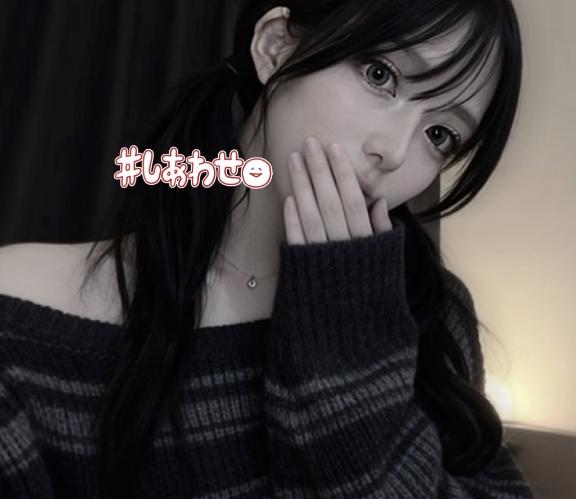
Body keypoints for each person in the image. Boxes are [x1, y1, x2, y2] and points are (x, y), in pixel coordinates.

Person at [0, 0, 536, 498]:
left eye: (440, 134)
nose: (393, 152)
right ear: (276, 46)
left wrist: (351, 359)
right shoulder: (24, 320)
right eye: (381, 75)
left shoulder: (435, 316)